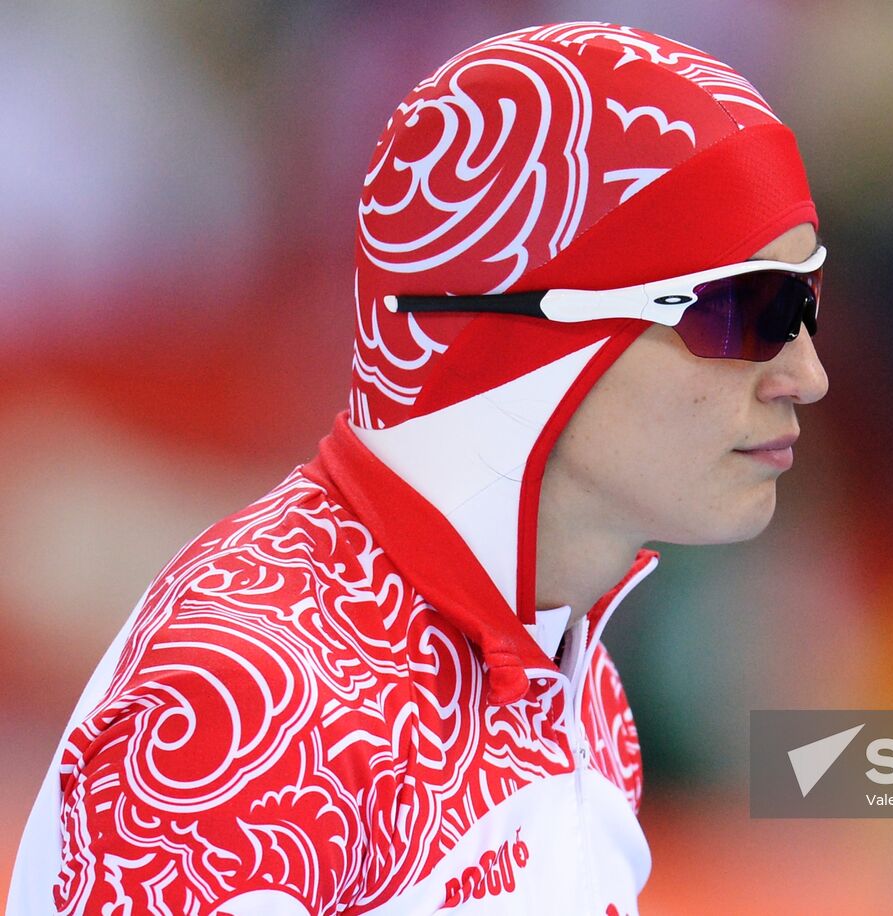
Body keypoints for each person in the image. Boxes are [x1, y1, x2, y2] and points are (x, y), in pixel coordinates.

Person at [8, 20, 826, 915]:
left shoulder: (572, 676)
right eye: (746, 310)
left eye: (807, 301)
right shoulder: (253, 701)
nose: (805, 377)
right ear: (533, 339)